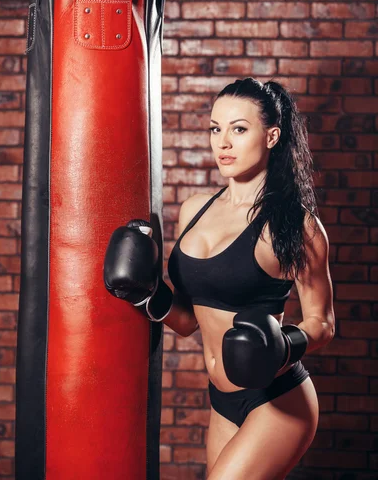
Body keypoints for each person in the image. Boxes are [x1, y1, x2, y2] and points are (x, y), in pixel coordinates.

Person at [104, 77, 335, 480]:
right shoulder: (195, 209)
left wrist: (282, 347)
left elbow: (323, 323)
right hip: (223, 401)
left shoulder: (296, 226)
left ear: (272, 135)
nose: (222, 143)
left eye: (239, 129)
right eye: (215, 128)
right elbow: (191, 320)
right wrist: (147, 296)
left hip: (278, 400)